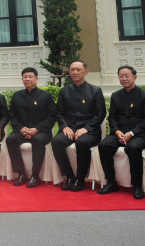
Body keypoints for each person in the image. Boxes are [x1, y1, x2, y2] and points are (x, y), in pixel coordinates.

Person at [97, 65, 145, 199]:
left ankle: (137, 185)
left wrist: (131, 133)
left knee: (133, 148)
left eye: (127, 76)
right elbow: (112, 117)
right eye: (121, 76)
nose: (124, 78)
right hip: (120, 132)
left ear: (135, 77)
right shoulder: (116, 96)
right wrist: (117, 132)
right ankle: (111, 182)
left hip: (139, 133)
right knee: (104, 146)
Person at [51, 60, 106, 192]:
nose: (75, 72)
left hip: (89, 131)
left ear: (86, 72)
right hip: (69, 128)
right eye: (72, 70)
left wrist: (86, 128)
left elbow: (101, 114)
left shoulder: (95, 90)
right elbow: (59, 113)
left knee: (82, 142)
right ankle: (69, 177)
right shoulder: (65, 91)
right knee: (56, 141)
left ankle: (80, 179)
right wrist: (65, 126)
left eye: (78, 69)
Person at [5, 67, 55, 188]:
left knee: (38, 140)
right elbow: (12, 115)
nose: (27, 79)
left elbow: (51, 117)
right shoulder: (17, 96)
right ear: (22, 79)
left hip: (41, 132)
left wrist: (36, 129)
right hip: (22, 131)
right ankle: (21, 173)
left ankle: (35, 175)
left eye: (30, 77)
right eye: (25, 77)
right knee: (10, 139)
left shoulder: (46, 96)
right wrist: (21, 129)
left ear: (36, 79)